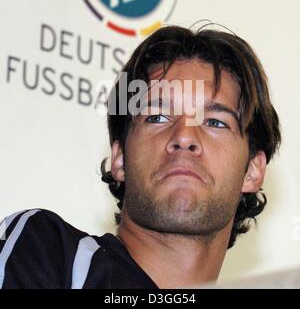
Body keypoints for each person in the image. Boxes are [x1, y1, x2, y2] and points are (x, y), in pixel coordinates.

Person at [0, 25, 281, 289]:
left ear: (253, 171)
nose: (184, 137)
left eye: (216, 122)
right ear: (120, 158)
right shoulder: (49, 251)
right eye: (158, 117)